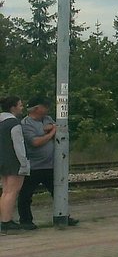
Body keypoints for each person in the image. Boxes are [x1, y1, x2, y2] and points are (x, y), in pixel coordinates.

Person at [18, 97, 76, 229]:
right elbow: (35, 142)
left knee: (58, 191)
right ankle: (26, 221)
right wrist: (51, 132)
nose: (47, 108)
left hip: (51, 165)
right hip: (34, 166)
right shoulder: (26, 124)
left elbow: (61, 129)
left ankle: (63, 216)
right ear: (37, 108)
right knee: (26, 195)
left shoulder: (48, 119)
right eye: (45, 106)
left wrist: (51, 128)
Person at [1, 96, 30, 233]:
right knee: (12, 192)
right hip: (14, 162)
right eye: (20, 105)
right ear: (13, 107)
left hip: (2, 161)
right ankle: (7, 222)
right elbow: (19, 145)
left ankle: (4, 220)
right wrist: (24, 163)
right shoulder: (14, 124)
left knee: (5, 191)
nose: (22, 107)